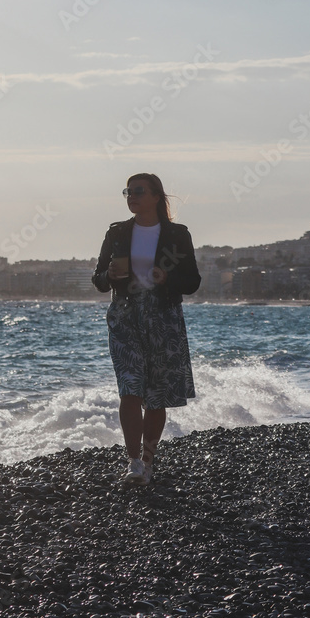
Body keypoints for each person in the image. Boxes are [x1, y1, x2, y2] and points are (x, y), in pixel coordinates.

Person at [92, 172, 200, 485]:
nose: (132, 196)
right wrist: (109, 275)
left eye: (139, 191)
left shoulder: (177, 235)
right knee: (130, 388)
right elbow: (98, 279)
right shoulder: (117, 233)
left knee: (156, 397)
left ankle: (149, 462)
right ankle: (134, 462)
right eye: (128, 191)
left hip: (163, 317)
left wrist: (167, 279)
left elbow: (192, 281)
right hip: (124, 318)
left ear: (156, 196)